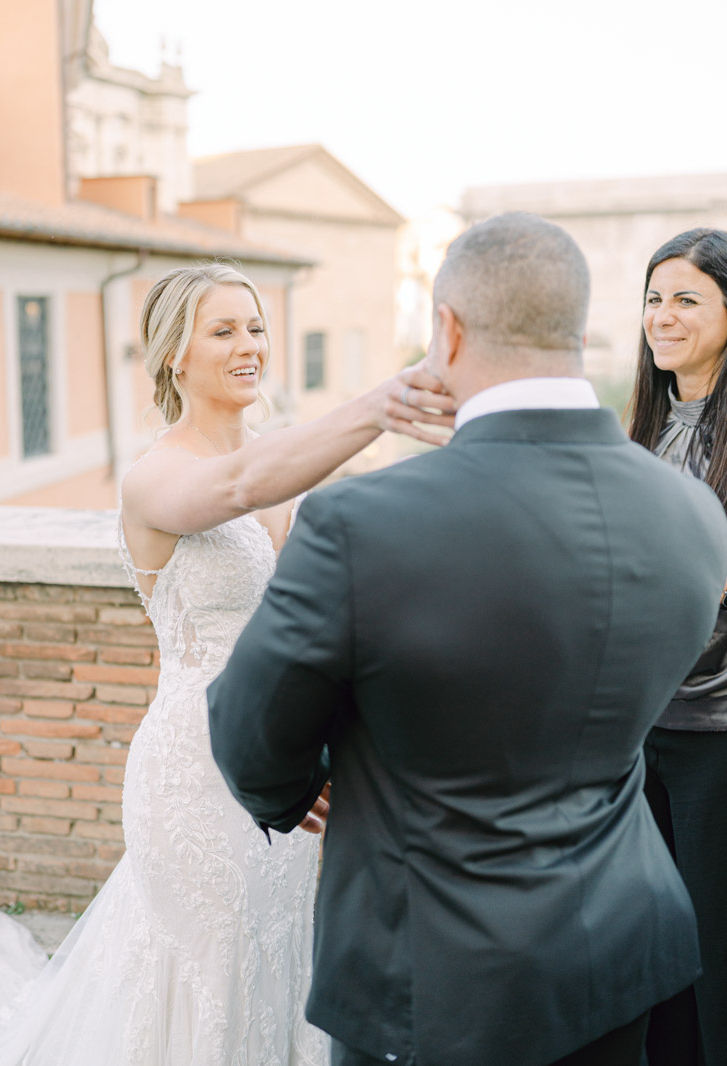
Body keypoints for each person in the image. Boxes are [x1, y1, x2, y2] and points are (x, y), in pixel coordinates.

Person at [208, 213, 727, 1066]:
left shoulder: (354, 521)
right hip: (620, 962)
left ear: (446, 330)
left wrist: (299, 789)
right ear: (580, 329)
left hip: (430, 976)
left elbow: (249, 738)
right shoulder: (690, 514)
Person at [0, 262, 455, 1065]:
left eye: (256, 327)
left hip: (296, 763)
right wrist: (381, 403)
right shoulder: (155, 478)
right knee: (212, 972)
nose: (250, 346)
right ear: (175, 354)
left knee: (286, 963)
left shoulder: (284, 460)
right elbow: (238, 485)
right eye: (224, 330)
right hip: (196, 772)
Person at [628, 228, 727, 1066]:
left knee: (716, 961)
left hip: (718, 737)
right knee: (651, 957)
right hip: (643, 732)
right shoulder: (648, 429)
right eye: (655, 299)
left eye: (687, 298)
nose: (663, 316)